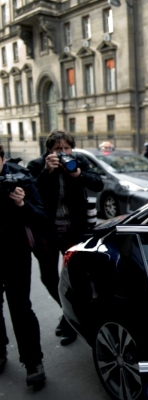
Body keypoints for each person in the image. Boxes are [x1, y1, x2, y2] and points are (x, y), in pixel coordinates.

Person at [27, 130, 104, 346]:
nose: (63, 153)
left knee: (77, 279)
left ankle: (71, 322)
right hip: (47, 235)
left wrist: (79, 174)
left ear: (72, 148)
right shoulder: (37, 166)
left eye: (67, 148)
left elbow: (98, 183)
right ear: (49, 151)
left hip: (74, 233)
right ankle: (67, 313)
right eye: (58, 149)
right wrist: (46, 172)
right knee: (49, 278)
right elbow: (29, 192)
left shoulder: (78, 163)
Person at [0, 144, 47, 388]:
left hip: (15, 253)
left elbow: (40, 216)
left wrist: (21, 204)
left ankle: (33, 363)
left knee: (21, 308)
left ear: (3, 159)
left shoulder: (21, 177)